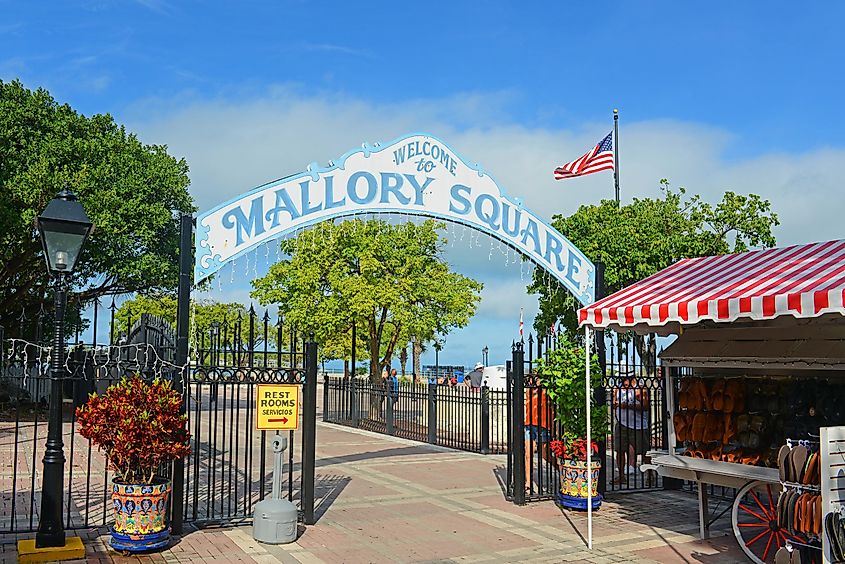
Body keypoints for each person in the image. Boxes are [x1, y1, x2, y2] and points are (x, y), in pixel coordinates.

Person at [613, 369, 651, 486]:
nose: (624, 382)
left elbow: (645, 406)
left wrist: (627, 405)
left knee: (644, 451)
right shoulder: (617, 388)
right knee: (619, 450)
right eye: (622, 379)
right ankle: (621, 476)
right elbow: (614, 402)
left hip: (638, 425)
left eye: (627, 379)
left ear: (633, 378)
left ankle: (650, 475)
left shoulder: (640, 389)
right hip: (622, 423)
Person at [524, 375, 552, 491]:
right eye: (532, 378)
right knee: (528, 454)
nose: (534, 380)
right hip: (529, 424)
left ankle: (560, 469)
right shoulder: (529, 391)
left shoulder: (546, 391)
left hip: (543, 425)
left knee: (545, 455)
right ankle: (528, 482)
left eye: (536, 378)